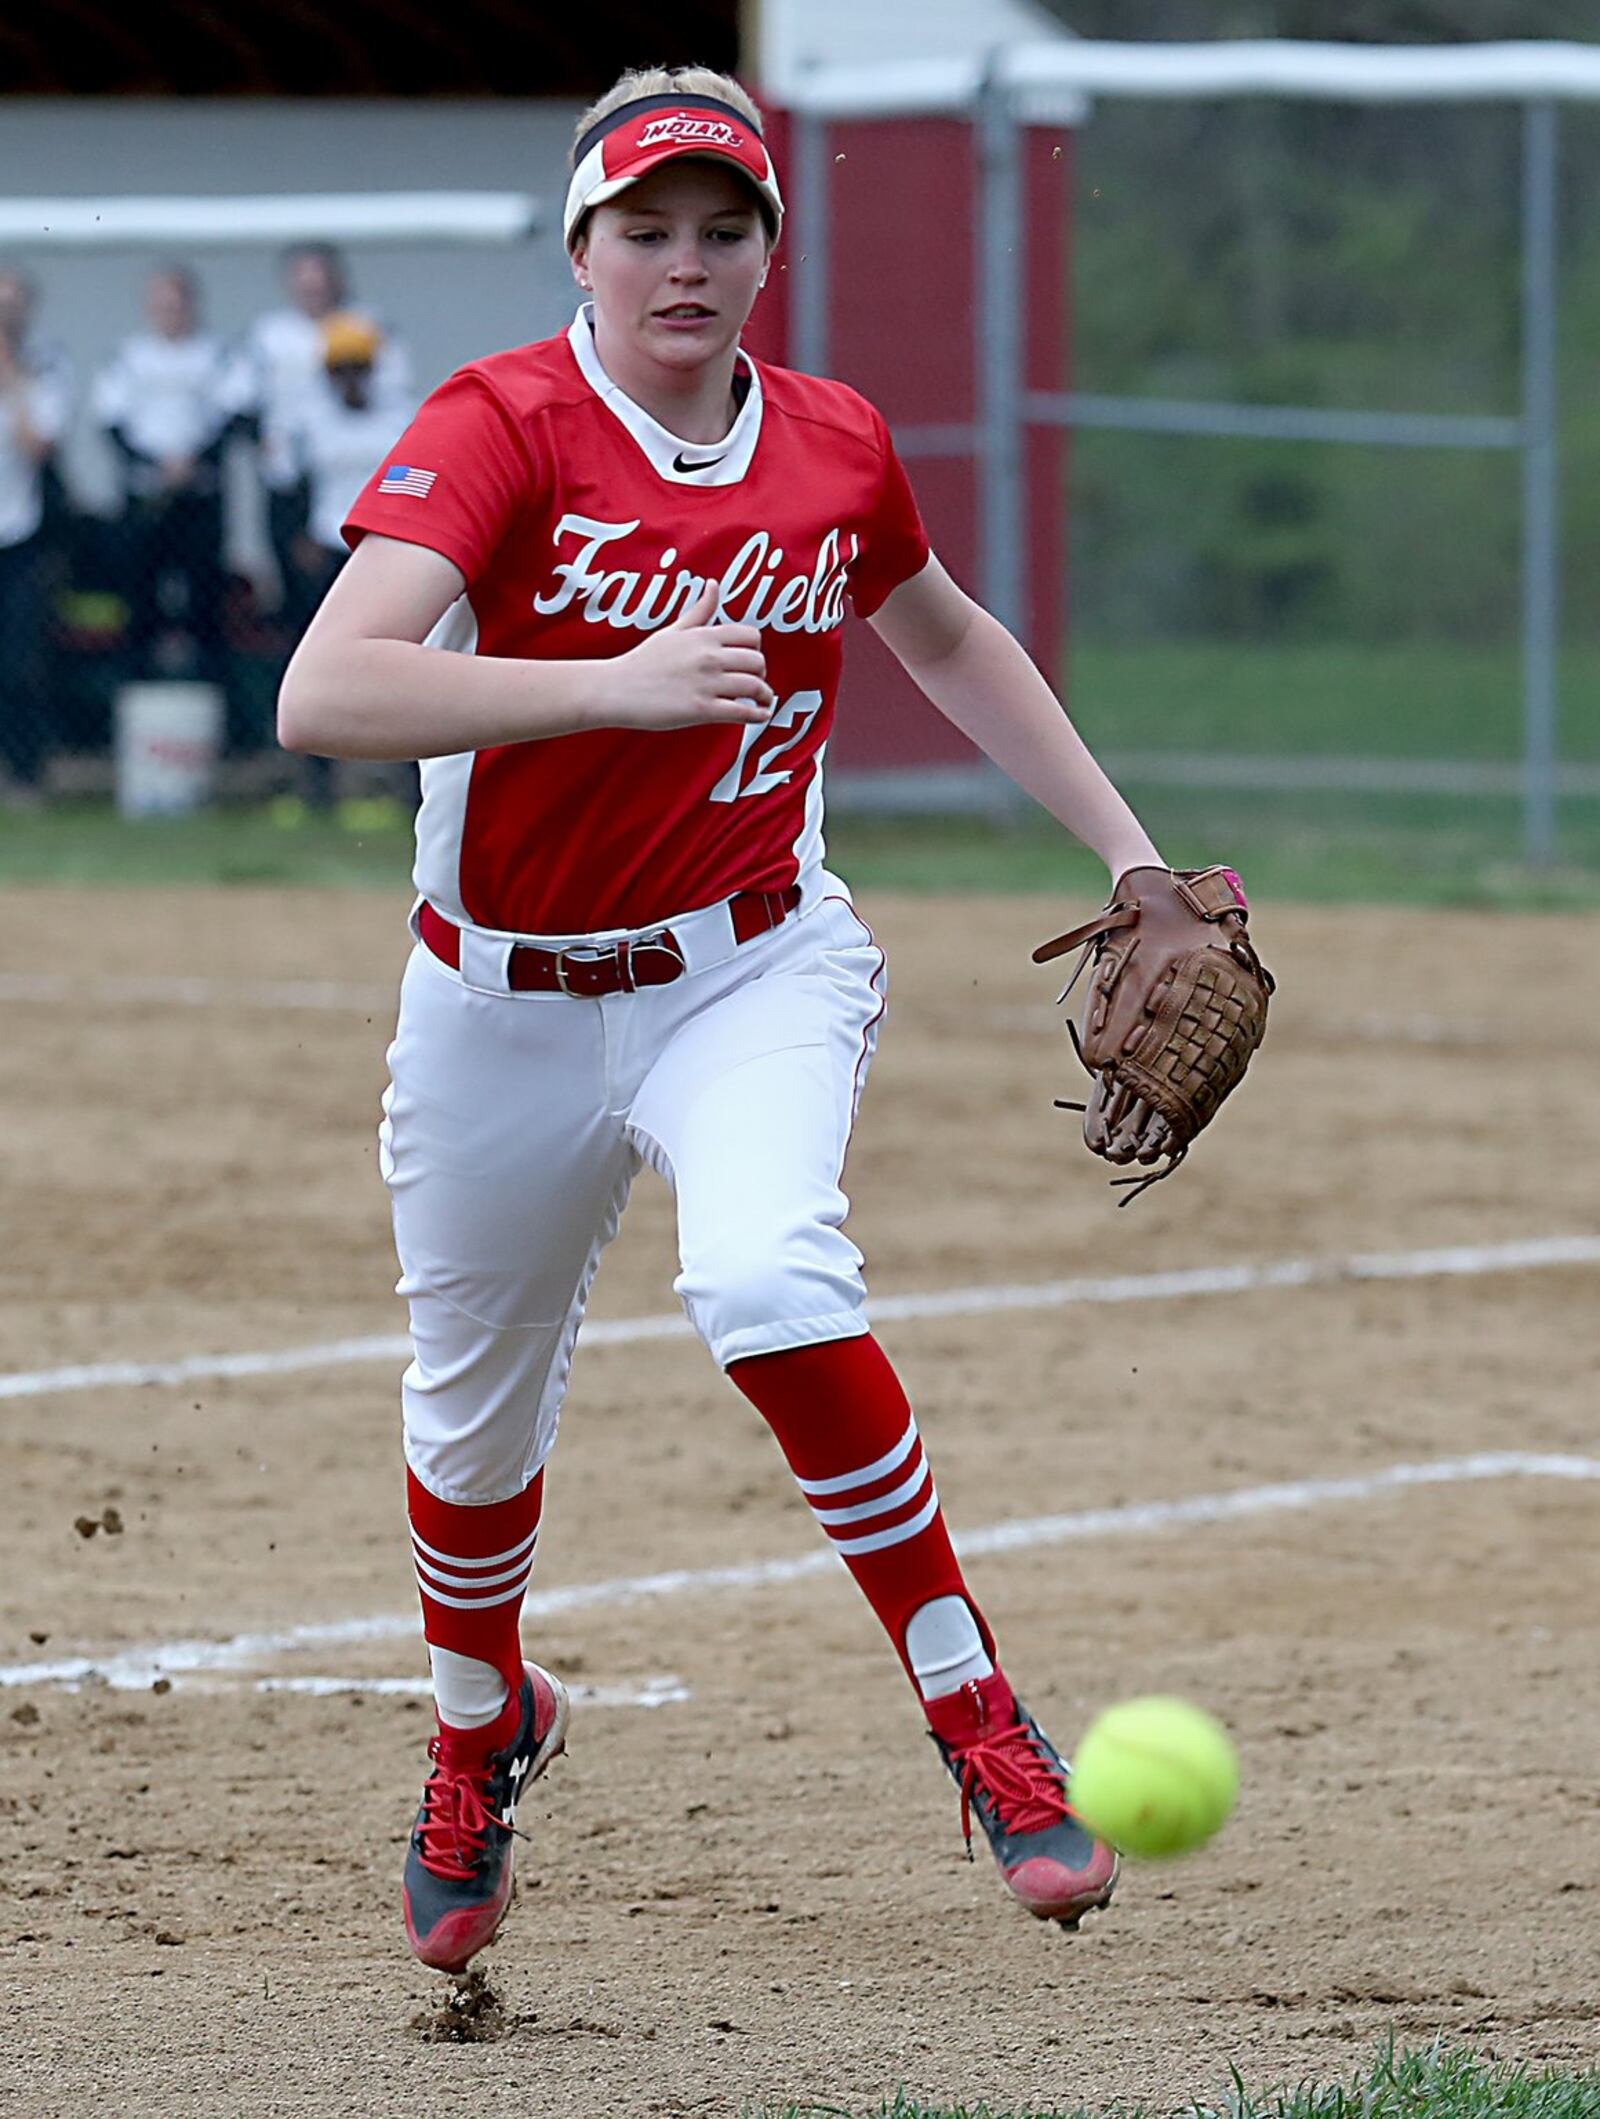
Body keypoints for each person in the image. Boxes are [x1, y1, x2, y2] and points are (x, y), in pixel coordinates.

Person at [279, 64, 1171, 1977]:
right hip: (496, 997)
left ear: (771, 252)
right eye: (645, 227)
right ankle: (477, 1727)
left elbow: (941, 631)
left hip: (748, 962)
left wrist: (1131, 856)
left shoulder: (834, 443)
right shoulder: (503, 420)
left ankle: (978, 1722)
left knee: (769, 1276)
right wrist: (603, 687)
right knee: (471, 1402)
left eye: (724, 227)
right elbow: (326, 693)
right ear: (582, 245)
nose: (684, 264)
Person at [232, 242, 410, 637]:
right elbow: (240, 402)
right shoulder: (268, 334)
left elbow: (397, 391)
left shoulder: (369, 326)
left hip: (364, 469)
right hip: (298, 474)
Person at [282, 312, 417, 808]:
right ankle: (318, 787)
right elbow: (287, 488)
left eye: (357, 367)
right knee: (317, 665)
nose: (349, 379)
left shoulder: (401, 416)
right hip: (326, 546)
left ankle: (405, 784)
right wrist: (295, 541)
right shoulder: (306, 421)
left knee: (399, 666)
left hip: (384, 551)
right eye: (339, 369)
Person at [91, 266, 241, 704]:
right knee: (140, 607)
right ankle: (135, 715)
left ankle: (218, 722)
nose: (170, 313)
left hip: (200, 499)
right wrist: (158, 465)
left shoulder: (217, 354)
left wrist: (192, 464)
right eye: (162, 305)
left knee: (205, 610)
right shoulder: (128, 356)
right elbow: (112, 423)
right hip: (146, 501)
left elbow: (234, 416)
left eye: (178, 303)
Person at [0, 269, 72, 808]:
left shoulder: (44, 370)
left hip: (20, 535)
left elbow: (39, 445)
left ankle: (26, 776)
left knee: (22, 660)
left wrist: (12, 377)